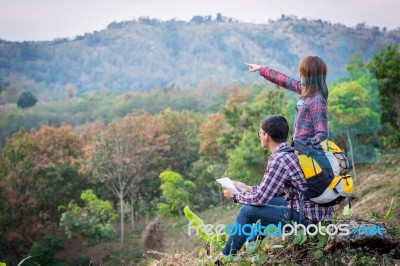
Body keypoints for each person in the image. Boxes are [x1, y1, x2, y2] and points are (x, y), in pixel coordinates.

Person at [221, 115, 333, 256]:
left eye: (260, 133)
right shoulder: (291, 152)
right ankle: (251, 250)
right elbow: (277, 191)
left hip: (308, 219)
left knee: (247, 211)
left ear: (266, 136)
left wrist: (235, 196)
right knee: (261, 207)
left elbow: (260, 199)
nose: (260, 136)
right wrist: (248, 189)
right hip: (317, 211)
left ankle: (225, 257)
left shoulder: (279, 159)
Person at [245, 56, 329, 143]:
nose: (300, 74)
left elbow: (322, 132)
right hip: (298, 148)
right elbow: (284, 80)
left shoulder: (317, 100)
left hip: (306, 153)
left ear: (309, 75)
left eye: (302, 72)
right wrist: (261, 69)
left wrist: (308, 144)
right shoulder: (305, 90)